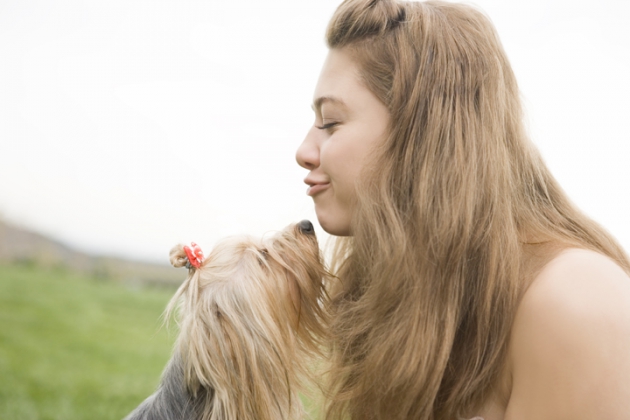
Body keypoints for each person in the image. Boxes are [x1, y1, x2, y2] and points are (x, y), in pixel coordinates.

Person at [295, 0, 630, 419]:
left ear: (422, 132)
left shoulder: (576, 300)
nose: (304, 152)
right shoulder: (406, 297)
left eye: (330, 123)